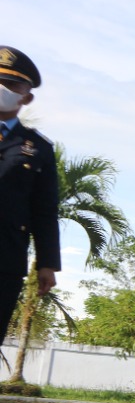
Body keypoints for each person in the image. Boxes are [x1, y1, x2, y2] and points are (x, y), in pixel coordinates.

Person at [0, 46, 58, 342]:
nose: (2, 88)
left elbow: (45, 209)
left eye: (11, 84)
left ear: (27, 96)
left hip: (5, 257)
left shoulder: (39, 148)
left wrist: (47, 262)